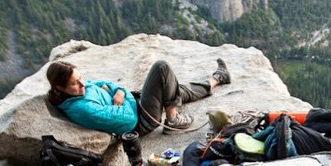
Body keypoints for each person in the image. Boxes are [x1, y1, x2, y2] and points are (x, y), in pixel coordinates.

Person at [46, 58, 231, 135]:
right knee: (161, 68)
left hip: (135, 103)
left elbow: (107, 84)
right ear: (60, 87)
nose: (83, 84)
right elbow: (127, 119)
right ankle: (172, 119)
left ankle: (217, 79)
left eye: (81, 78)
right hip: (142, 120)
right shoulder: (82, 109)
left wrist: (118, 92)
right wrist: (122, 93)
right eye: (75, 83)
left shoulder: (81, 89)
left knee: (174, 89)